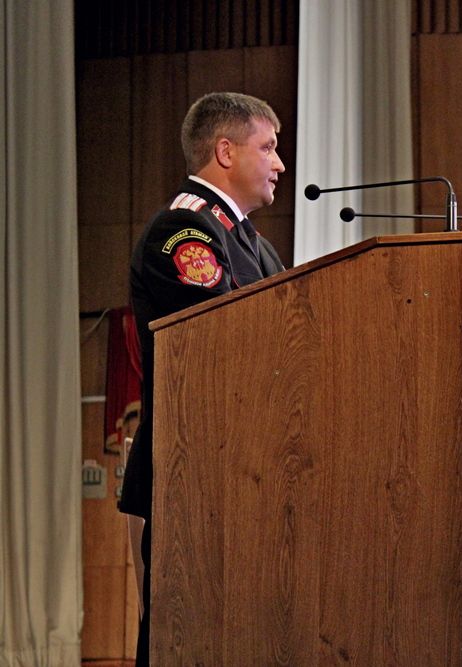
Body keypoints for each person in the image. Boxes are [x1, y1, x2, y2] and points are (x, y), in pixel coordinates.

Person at [117, 92, 287, 664]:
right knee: (186, 634)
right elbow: (217, 343)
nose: (279, 163)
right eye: (268, 147)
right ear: (225, 152)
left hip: (249, 466)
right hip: (197, 468)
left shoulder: (253, 243)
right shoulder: (185, 229)